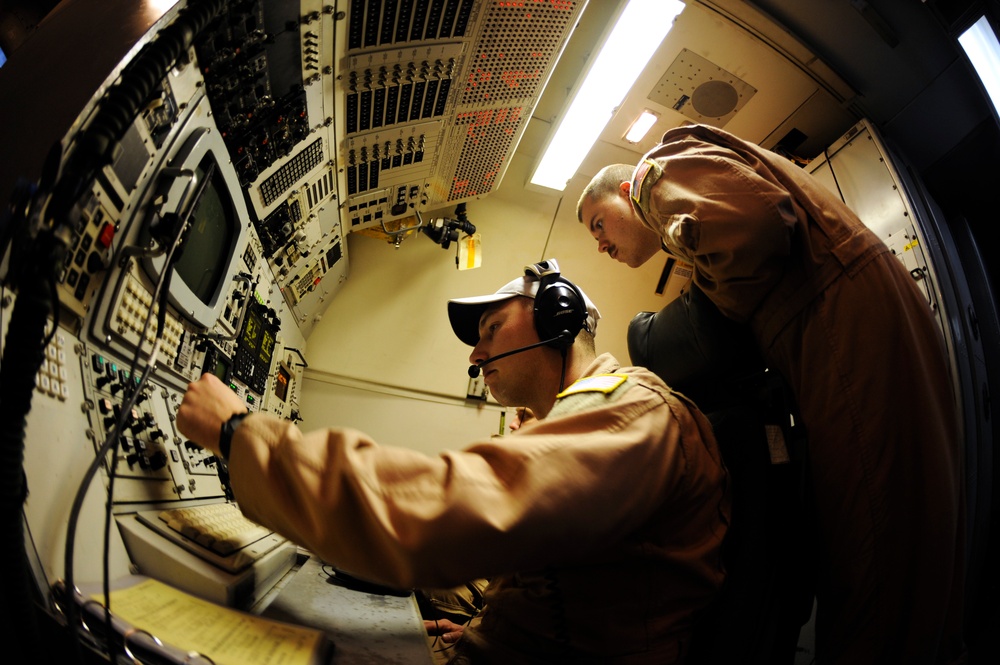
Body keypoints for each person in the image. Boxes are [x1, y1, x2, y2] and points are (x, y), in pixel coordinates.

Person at [176, 259, 731, 664]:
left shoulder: (632, 409)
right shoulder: (593, 415)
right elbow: (570, 585)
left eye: (492, 330)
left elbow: (441, 513)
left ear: (557, 321)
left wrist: (239, 435)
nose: (475, 353)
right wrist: (487, 627)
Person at [576, 124, 965, 664]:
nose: (600, 244)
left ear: (623, 194)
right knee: (901, 549)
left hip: (838, 323)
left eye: (598, 224)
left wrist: (714, 320)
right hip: (850, 318)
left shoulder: (650, 177)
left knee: (874, 563)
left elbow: (755, 229)